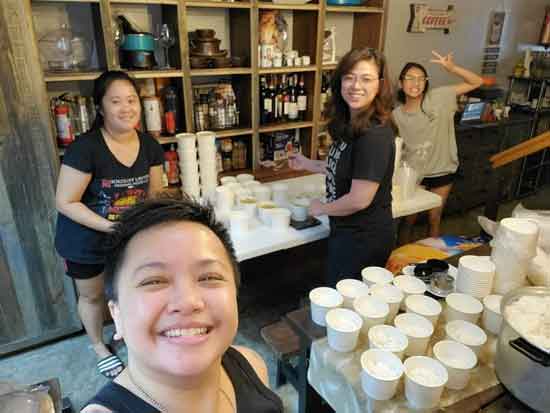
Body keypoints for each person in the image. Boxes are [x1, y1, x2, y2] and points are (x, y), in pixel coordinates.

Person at [81, 197, 284, 413]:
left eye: (209, 277)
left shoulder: (252, 365)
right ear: (116, 314)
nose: (188, 302)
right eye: (154, 281)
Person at [55, 70, 165, 379]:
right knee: (92, 296)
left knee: (128, 290)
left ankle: (129, 334)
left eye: (131, 100)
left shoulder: (149, 145)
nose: (126, 108)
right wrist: (112, 228)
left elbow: (154, 194)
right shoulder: (85, 148)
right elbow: (65, 201)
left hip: (127, 236)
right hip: (85, 241)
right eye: (116, 101)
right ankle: (99, 347)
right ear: (100, 108)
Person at [289, 48, 396, 287]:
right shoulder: (352, 122)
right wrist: (308, 163)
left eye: (366, 79)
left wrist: (321, 208)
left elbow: (359, 200)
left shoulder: (374, 135)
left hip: (363, 238)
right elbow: (345, 167)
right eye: (349, 77)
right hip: (347, 231)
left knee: (347, 300)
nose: (356, 85)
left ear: (380, 85)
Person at [393, 51, 483, 244]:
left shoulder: (440, 97)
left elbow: (477, 82)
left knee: (434, 218)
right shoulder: (396, 115)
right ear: (401, 83)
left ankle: (430, 258)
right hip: (413, 173)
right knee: (408, 220)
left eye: (421, 79)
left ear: (426, 83)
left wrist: (452, 68)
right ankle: (398, 256)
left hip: (442, 169)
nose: (416, 83)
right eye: (410, 78)